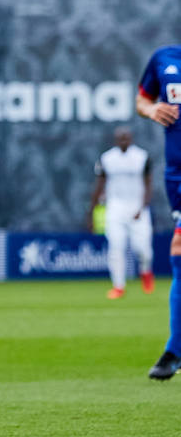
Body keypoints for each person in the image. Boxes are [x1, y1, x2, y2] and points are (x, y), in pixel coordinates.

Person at [138, 45, 181, 380]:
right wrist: (152, 110)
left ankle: (174, 351)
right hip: (177, 175)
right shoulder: (164, 58)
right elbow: (141, 100)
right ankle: (175, 351)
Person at [88, 127, 155, 300]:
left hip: (138, 208)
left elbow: (148, 184)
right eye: (121, 138)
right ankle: (118, 286)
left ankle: (145, 271)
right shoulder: (107, 158)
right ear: (116, 140)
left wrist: (143, 207)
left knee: (144, 250)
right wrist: (92, 211)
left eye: (126, 138)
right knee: (116, 247)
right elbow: (99, 184)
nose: (124, 141)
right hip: (116, 207)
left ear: (131, 139)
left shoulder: (142, 157)